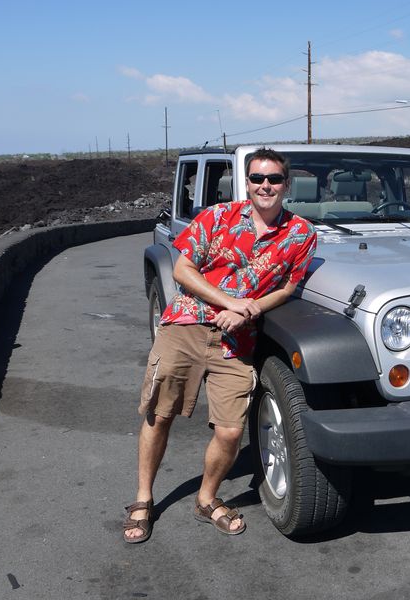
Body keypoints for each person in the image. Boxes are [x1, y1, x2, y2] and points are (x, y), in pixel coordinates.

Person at [123, 147, 316, 543]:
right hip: (187, 324)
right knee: (160, 415)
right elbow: (181, 268)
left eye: (274, 179)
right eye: (258, 178)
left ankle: (206, 499)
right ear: (246, 183)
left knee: (230, 431)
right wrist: (230, 302)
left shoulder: (302, 234)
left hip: (236, 341)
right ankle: (143, 499)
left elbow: (288, 287)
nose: (266, 186)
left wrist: (248, 311)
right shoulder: (217, 216)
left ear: (287, 184)